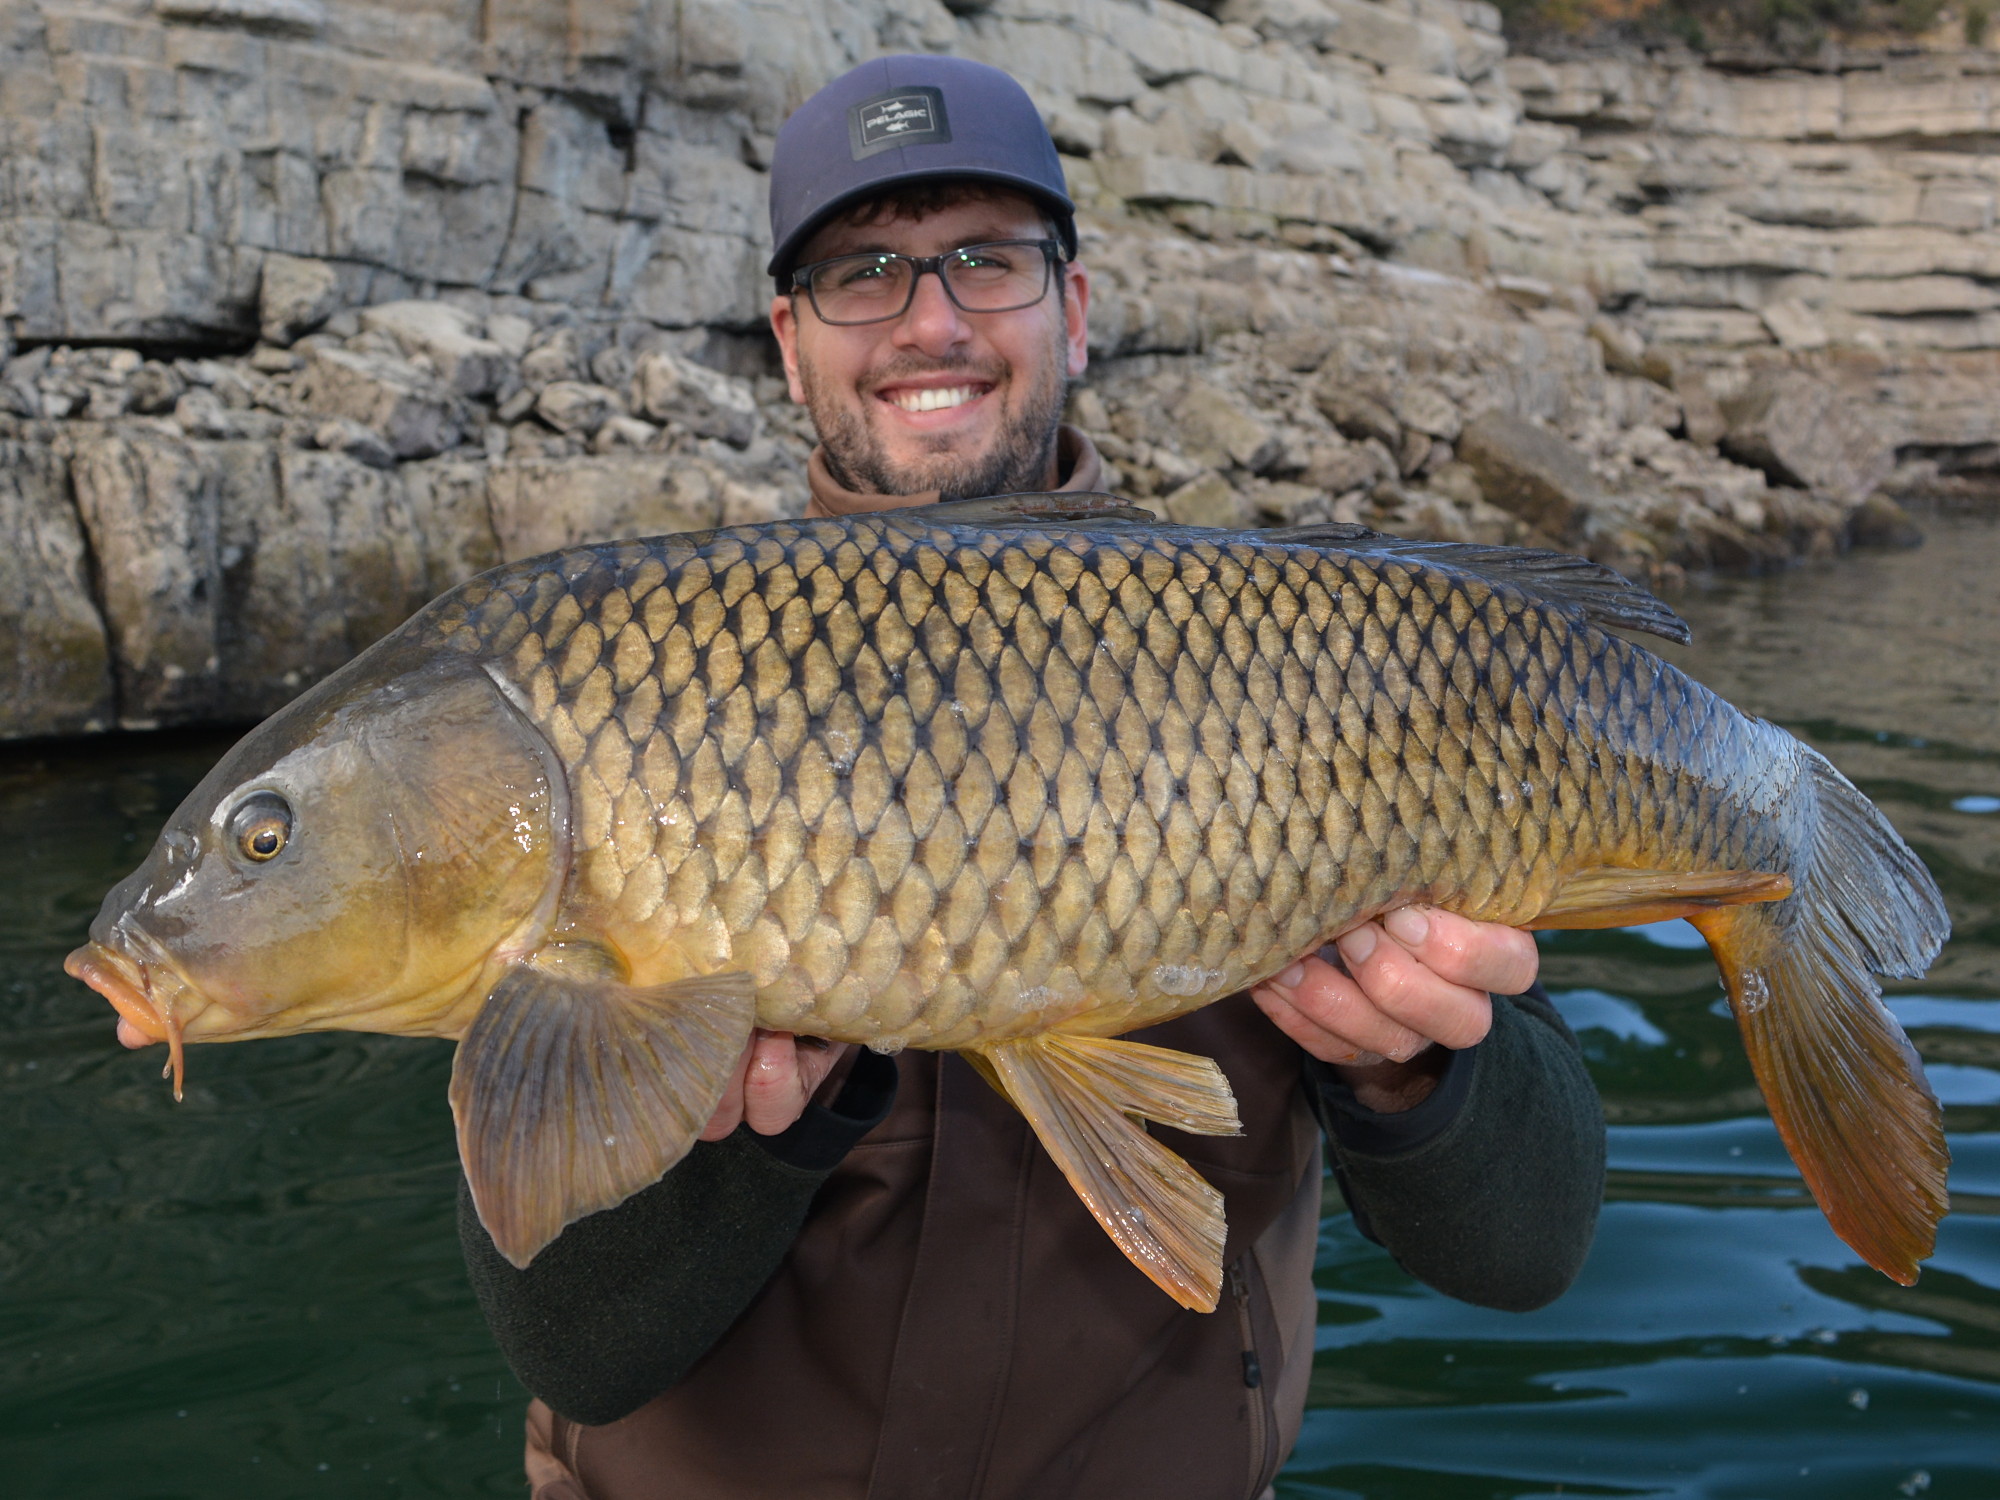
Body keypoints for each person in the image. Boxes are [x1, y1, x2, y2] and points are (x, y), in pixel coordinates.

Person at [460, 55, 1605, 1500]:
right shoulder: (637, 694)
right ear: (789, 337)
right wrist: (748, 1127)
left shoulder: (1311, 659)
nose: (929, 319)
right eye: (861, 271)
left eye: (985, 261)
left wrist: (1418, 1065)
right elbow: (574, 1350)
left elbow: (1529, 1255)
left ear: (1071, 303)